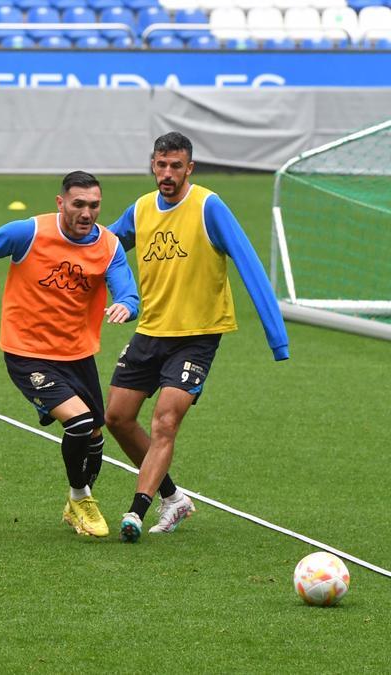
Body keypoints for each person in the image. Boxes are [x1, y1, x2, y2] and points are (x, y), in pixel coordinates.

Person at [0, 171, 139, 538]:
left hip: (77, 354)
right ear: (61, 203)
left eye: (94, 205)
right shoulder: (29, 232)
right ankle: (80, 499)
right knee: (78, 423)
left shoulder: (109, 246)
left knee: (94, 437)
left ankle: (78, 498)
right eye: (78, 204)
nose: (86, 213)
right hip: (27, 352)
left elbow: (127, 291)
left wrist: (125, 305)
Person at [106, 132, 289, 543]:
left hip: (198, 336)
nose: (167, 173)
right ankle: (174, 498)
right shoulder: (140, 209)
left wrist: (277, 339)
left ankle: (137, 510)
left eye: (176, 166)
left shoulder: (208, 206)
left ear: (190, 168)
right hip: (150, 330)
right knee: (116, 417)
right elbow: (106, 246)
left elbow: (249, 263)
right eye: (160, 164)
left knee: (165, 421)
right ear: (152, 165)